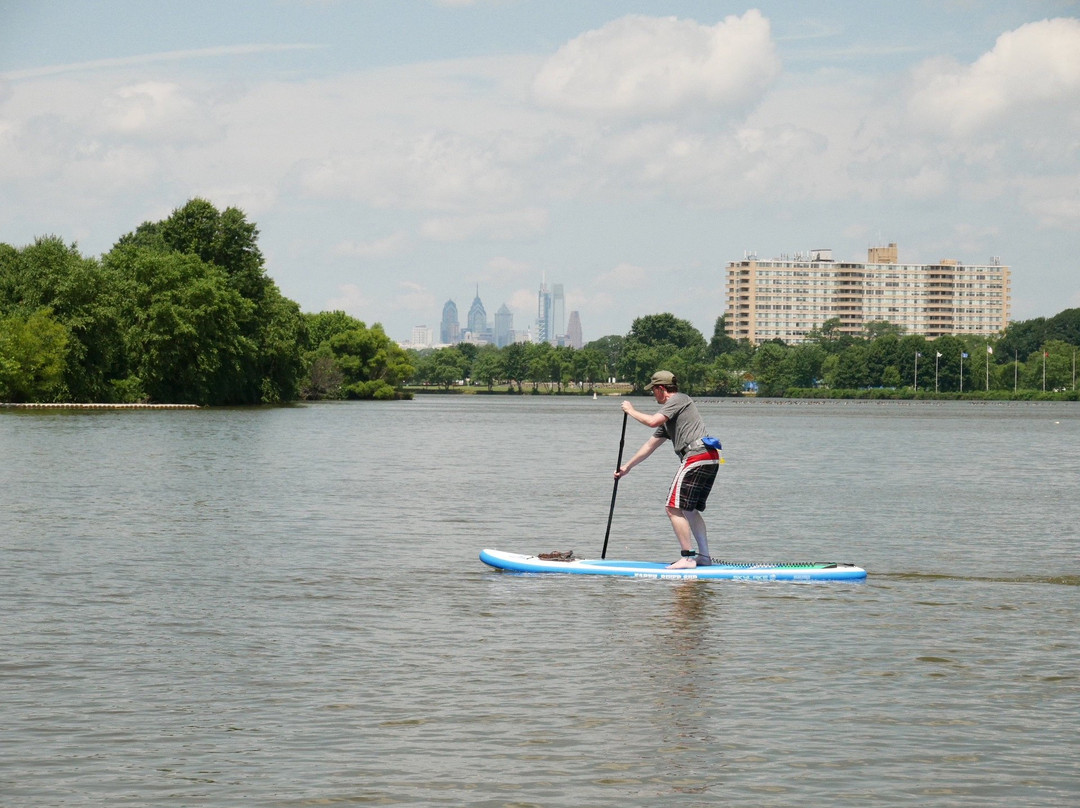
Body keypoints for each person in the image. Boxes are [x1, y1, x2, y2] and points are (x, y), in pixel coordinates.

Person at [614, 370, 721, 569]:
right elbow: (649, 446)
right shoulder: (670, 417)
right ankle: (704, 557)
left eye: (653, 390)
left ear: (661, 389)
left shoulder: (679, 399)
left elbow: (652, 421)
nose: (652, 394)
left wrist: (631, 410)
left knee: (672, 507)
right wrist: (627, 467)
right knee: (688, 510)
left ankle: (688, 558)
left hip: (697, 456)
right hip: (709, 456)